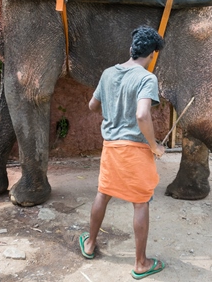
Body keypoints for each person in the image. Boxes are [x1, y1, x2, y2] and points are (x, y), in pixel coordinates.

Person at [79, 25, 166, 280]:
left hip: (111, 147)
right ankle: (141, 263)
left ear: (131, 49)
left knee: (103, 194)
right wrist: (154, 146)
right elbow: (142, 114)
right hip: (135, 150)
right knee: (140, 203)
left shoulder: (107, 74)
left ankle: (90, 244)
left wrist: (112, 113)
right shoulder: (147, 78)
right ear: (151, 55)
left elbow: (92, 105)